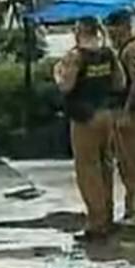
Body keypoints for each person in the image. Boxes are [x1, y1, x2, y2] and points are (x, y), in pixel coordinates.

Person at [54, 17, 126, 242]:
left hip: (85, 118)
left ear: (78, 31)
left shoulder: (76, 57)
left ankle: (96, 222)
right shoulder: (108, 54)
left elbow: (66, 86)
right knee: (106, 165)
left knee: (88, 169)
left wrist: (58, 72)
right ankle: (109, 215)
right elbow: (120, 83)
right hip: (107, 115)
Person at [105, 11, 135, 220]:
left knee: (133, 164)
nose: (111, 32)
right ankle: (133, 207)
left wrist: (127, 111)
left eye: (113, 27)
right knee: (125, 164)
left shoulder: (134, 49)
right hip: (121, 112)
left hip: (132, 114)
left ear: (124, 26)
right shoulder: (121, 49)